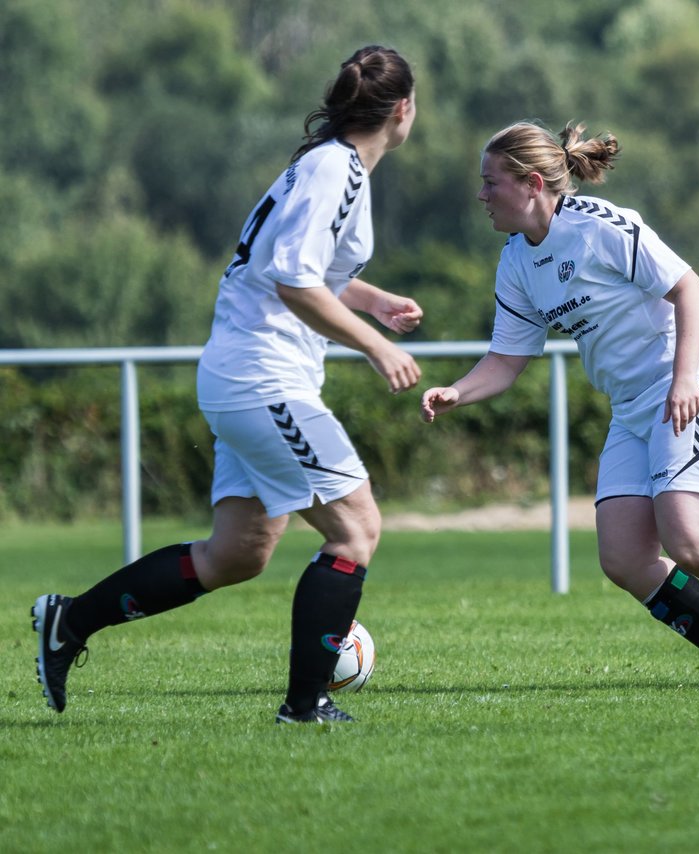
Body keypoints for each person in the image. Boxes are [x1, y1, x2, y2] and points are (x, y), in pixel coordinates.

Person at [32, 45, 423, 723]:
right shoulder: (337, 170)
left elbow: (304, 271)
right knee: (356, 530)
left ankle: (69, 622)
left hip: (246, 373)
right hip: (263, 377)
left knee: (237, 552)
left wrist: (371, 301)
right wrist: (375, 346)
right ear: (404, 110)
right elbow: (292, 281)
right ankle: (306, 706)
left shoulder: (327, 164)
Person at [420, 120, 699, 687]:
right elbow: (507, 360)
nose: (481, 195)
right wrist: (458, 390)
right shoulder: (515, 262)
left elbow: (691, 290)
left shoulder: (602, 226)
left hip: (691, 383)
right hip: (632, 406)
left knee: (695, 544)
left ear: (531, 183)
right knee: (625, 557)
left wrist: (683, 380)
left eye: (491, 183)